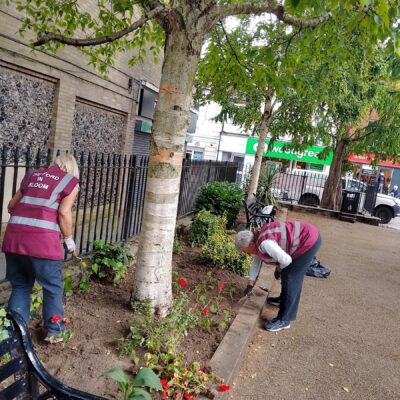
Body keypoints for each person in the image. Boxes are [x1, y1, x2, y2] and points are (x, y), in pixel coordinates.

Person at [1, 153, 79, 342]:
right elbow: (63, 212)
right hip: (42, 244)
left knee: (20, 285)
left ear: (55, 163)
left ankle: (14, 333)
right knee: (52, 287)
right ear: (71, 168)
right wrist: (69, 241)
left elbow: (11, 205)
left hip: (14, 240)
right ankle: (54, 331)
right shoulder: (70, 181)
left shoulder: (32, 175)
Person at [235, 220, 321, 332]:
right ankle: (283, 299)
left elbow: (286, 260)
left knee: (290, 277)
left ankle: (284, 320)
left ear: (250, 244)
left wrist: (279, 269)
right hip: (307, 235)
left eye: (246, 251)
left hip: (308, 241)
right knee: (287, 274)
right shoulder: (257, 238)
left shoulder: (265, 244)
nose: (248, 254)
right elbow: (256, 262)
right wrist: (250, 284)